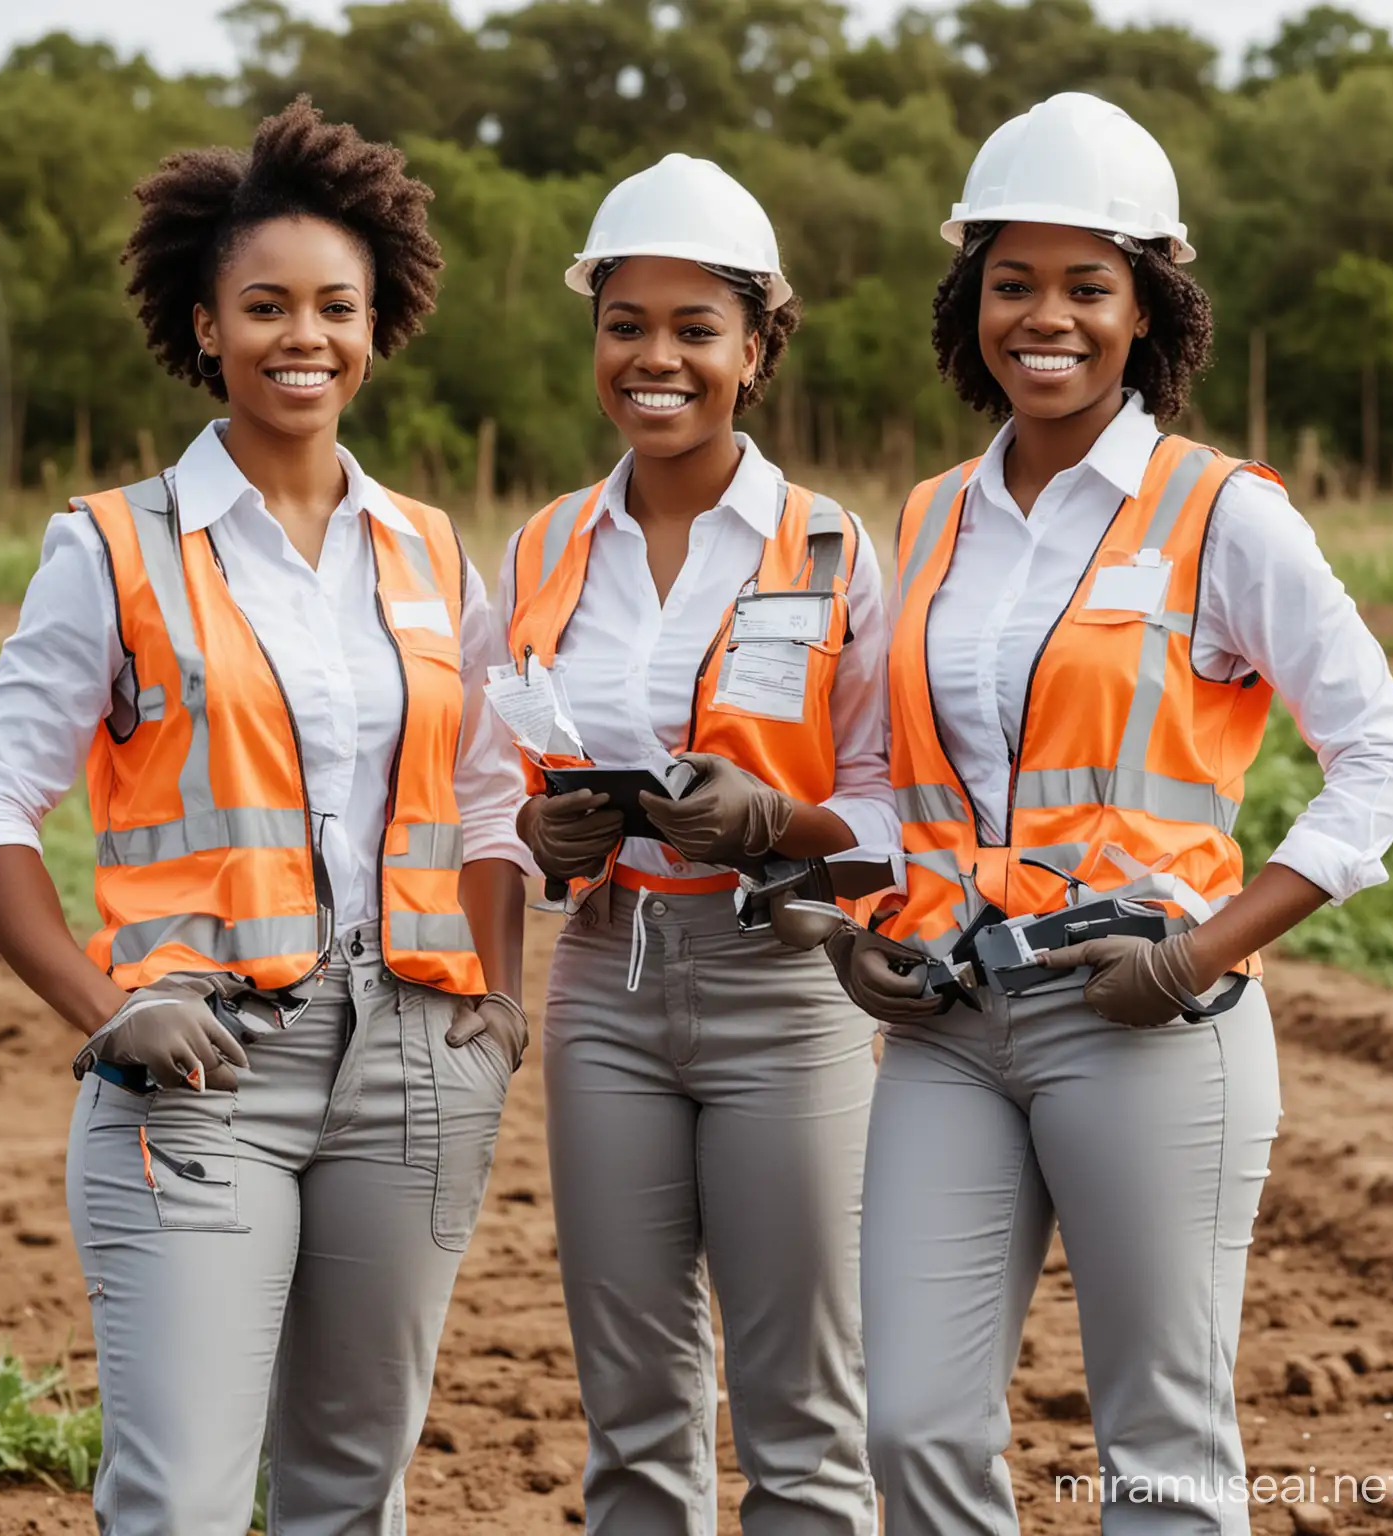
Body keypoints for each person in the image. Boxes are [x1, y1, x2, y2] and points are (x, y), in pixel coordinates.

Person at [831, 92, 1393, 1534]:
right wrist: (853, 917)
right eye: (1012, 281)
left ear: (1147, 305)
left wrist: (1199, 954)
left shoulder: (1220, 513)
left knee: (1161, 1450)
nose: (1047, 317)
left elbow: (1385, 760)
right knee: (910, 1425)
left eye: (1087, 286)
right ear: (969, 296)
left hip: (1148, 1022)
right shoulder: (928, 518)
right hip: (949, 1028)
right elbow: (901, 785)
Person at [0, 97, 530, 1535]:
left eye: (337, 305)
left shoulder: (432, 551)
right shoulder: (113, 545)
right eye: (263, 305)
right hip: (200, 1071)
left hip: (415, 1070)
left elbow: (493, 793)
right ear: (205, 326)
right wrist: (99, 1005)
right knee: (182, 1498)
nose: (303, 336)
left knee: (355, 1493)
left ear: (380, 323)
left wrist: (500, 1004)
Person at [498, 152, 896, 1534]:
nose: (654, 357)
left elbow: (899, 805)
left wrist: (776, 821)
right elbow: (502, 781)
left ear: (757, 347)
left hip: (783, 985)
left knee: (802, 1413)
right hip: (602, 985)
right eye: (625, 324)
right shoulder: (545, 545)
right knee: (634, 1411)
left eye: (694, 329)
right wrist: (543, 832)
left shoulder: (837, 548)